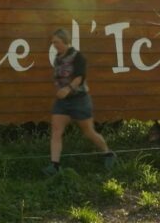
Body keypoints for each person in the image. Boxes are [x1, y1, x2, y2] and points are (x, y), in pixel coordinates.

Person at [43, 28, 117, 175]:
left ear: (65, 41)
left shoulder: (78, 57)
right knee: (56, 131)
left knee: (88, 131)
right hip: (63, 102)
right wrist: (60, 90)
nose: (54, 45)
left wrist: (67, 89)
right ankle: (54, 166)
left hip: (79, 100)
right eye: (52, 43)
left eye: (56, 42)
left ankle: (108, 153)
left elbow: (80, 77)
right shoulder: (57, 58)